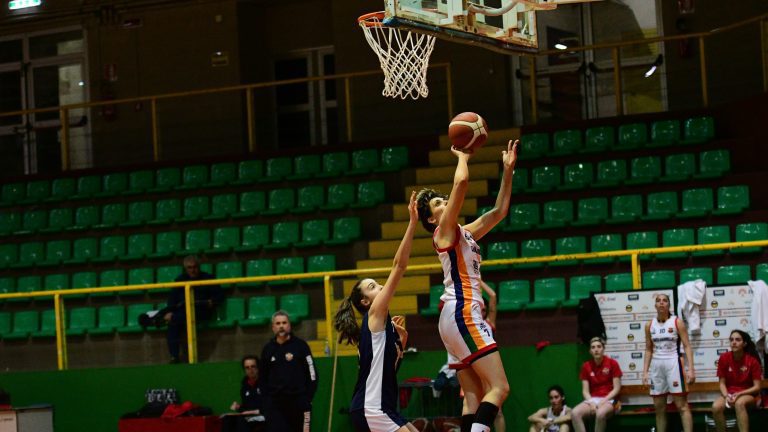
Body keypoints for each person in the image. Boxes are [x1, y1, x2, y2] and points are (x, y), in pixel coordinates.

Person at [416, 138, 518, 432]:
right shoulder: (443, 232)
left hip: (455, 316)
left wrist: (508, 170)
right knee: (499, 387)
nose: (445, 202)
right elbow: (461, 183)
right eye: (438, 203)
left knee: (472, 398)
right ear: (432, 218)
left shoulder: (464, 232)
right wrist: (462, 156)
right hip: (462, 312)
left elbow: (499, 212)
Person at [334, 191, 419, 432]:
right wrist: (412, 222)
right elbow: (399, 265)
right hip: (372, 407)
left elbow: (387, 372)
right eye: (373, 287)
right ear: (364, 301)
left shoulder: (383, 326)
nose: (380, 287)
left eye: (378, 283)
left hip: (383, 406)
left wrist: (401, 343)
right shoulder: (374, 315)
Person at [642, 293, 695, 432]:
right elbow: (648, 349)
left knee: (682, 406)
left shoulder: (677, 322)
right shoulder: (649, 325)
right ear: (655, 305)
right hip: (656, 367)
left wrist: (691, 370)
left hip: (674, 364)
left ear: (668, 305)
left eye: (664, 300)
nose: (661, 303)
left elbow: (687, 346)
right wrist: (645, 372)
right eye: (658, 301)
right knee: (659, 408)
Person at [260, 310, 317, 432]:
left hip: (299, 402)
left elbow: (312, 373)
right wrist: (266, 401)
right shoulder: (268, 349)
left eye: (284, 323)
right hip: (275, 405)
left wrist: (307, 398)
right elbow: (262, 377)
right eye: (278, 323)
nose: (281, 326)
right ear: (273, 327)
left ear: (289, 325)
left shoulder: (301, 346)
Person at [164, 255, 223, 363]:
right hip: (183, 311)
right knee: (173, 323)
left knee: (175, 319)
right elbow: (172, 298)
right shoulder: (180, 280)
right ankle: (174, 357)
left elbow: (219, 296)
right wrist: (170, 311)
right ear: (185, 269)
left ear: (199, 267)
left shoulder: (208, 278)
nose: (193, 270)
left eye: (195, 267)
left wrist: (212, 302)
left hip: (202, 310)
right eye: (189, 268)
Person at [711, 329, 763, 432]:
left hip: (749, 395)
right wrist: (727, 396)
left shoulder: (752, 361)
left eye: (738, 340)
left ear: (744, 344)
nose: (734, 342)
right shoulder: (724, 358)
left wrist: (738, 394)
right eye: (731, 340)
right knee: (716, 406)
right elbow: (722, 383)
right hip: (729, 394)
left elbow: (757, 387)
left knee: (739, 403)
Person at [570, 337, 622, 432]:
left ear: (603, 349)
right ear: (590, 351)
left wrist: (603, 401)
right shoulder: (586, 366)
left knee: (600, 413)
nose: (596, 349)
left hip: (610, 399)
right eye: (593, 347)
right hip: (593, 399)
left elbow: (617, 388)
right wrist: (591, 402)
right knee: (574, 413)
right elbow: (585, 391)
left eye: (599, 347)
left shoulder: (612, 363)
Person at [222, 355, 265, 432]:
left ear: (258, 368)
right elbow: (245, 408)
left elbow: (269, 406)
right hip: (249, 416)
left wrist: (253, 412)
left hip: (263, 415)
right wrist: (238, 407)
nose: (250, 370)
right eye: (247, 368)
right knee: (227, 419)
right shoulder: (245, 386)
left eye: (253, 366)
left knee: (242, 421)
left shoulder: (265, 383)